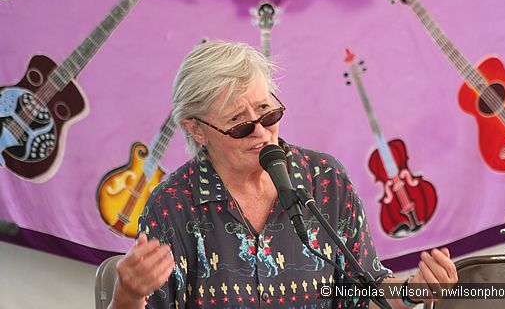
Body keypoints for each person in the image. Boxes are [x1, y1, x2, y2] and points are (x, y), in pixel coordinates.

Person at [108, 41, 457, 309]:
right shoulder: (173, 205)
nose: (261, 132)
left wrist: (415, 291)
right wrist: (128, 294)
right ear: (197, 130)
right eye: (240, 124)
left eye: (267, 113)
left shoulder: (325, 180)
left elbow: (363, 295)